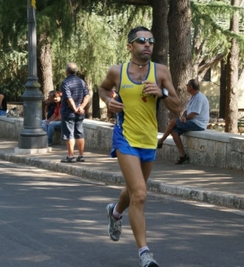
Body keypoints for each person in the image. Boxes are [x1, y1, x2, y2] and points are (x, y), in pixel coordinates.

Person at [98, 26, 180, 267]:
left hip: (148, 140)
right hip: (125, 137)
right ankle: (145, 254)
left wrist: (162, 92)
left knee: (135, 190)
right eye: (142, 40)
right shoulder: (117, 72)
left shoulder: (161, 71)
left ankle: (115, 212)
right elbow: (102, 89)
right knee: (141, 194)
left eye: (151, 41)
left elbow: (177, 107)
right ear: (130, 46)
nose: (148, 44)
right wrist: (108, 101)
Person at [157, 78, 210, 164]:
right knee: (174, 132)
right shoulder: (193, 97)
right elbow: (187, 111)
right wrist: (183, 116)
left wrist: (185, 118)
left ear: (191, 87)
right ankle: (182, 156)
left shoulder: (199, 98)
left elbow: (193, 114)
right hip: (191, 122)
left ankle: (160, 141)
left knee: (173, 122)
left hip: (198, 124)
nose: (186, 87)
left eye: (187, 86)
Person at [60, 62, 90, 163]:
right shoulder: (81, 82)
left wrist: (75, 109)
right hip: (80, 113)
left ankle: (71, 156)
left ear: (66, 71)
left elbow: (68, 98)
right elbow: (87, 95)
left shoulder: (65, 83)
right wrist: (81, 107)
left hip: (68, 113)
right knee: (80, 133)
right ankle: (81, 155)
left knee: (69, 134)